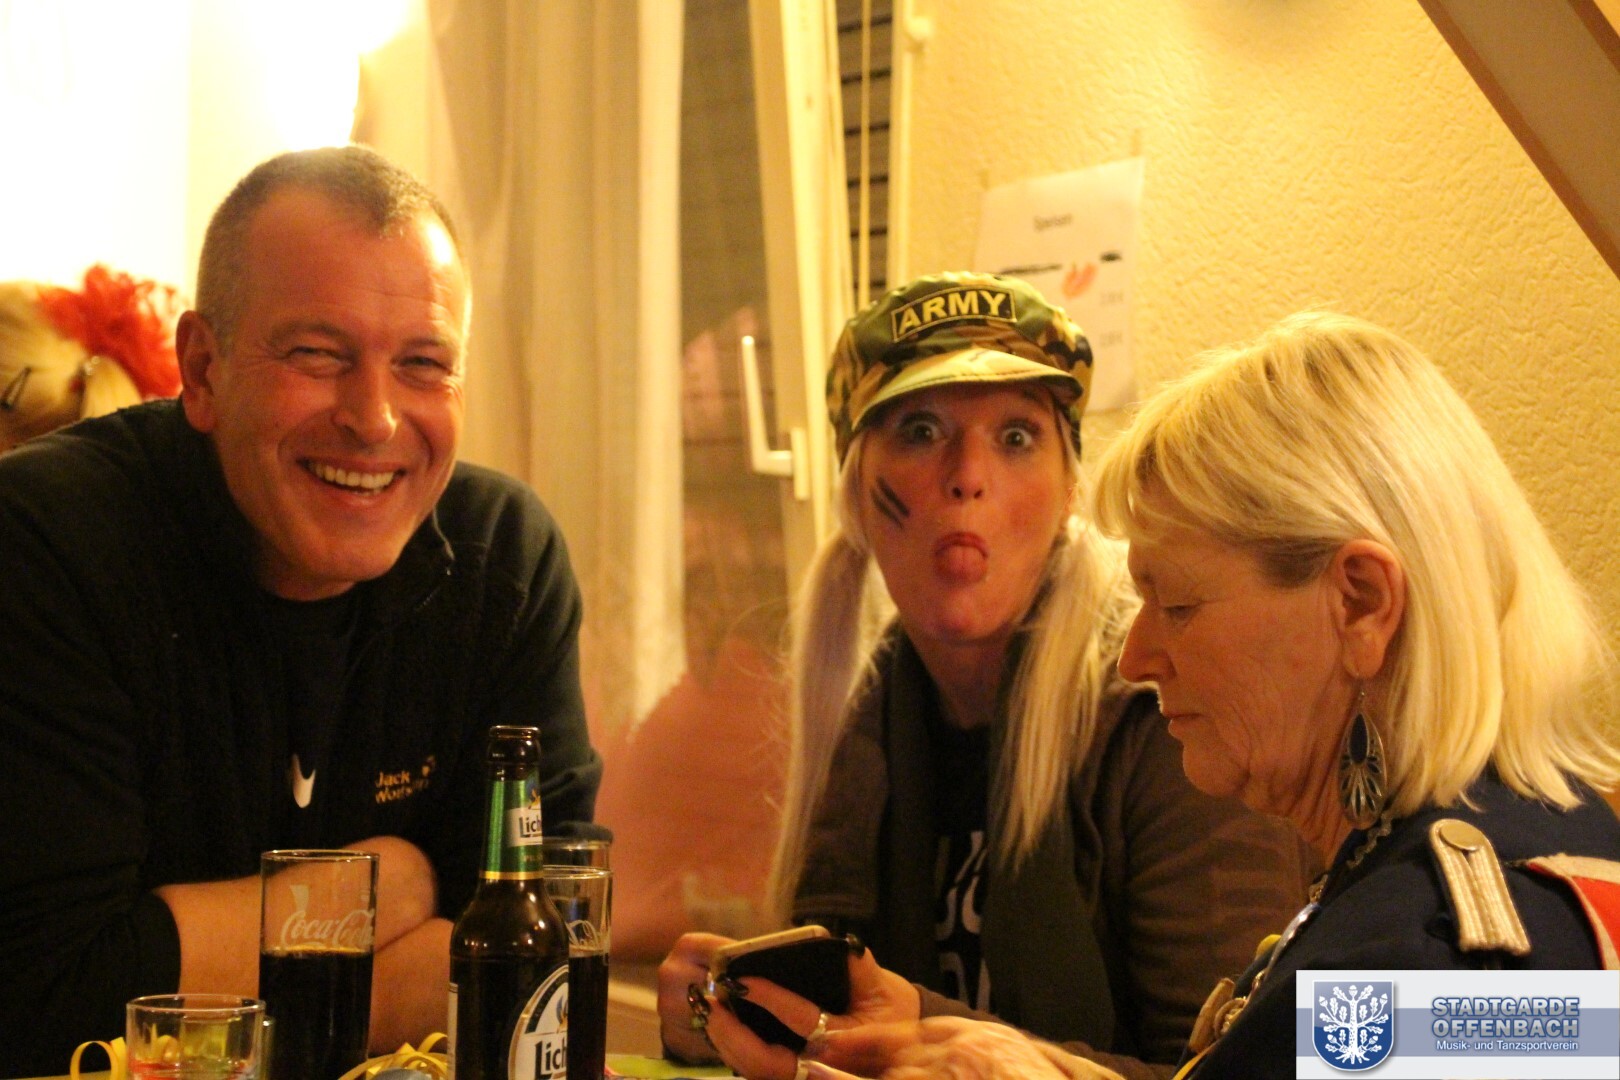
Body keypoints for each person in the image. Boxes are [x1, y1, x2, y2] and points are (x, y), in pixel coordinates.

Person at [791, 310, 1620, 1080]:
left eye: (1178, 605)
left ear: (1361, 602)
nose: (1136, 656)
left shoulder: (1421, 958)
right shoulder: (1541, 847)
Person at [0, 146, 603, 1077]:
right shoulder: (49, 544)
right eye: (318, 355)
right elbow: (44, 1002)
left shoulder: (504, 562)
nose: (374, 418)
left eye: (423, 363)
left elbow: (544, 953)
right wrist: (391, 887)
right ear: (203, 369)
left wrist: (213, 954)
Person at [659, 273, 1314, 1080]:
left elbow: (1240, 1069)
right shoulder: (861, 721)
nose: (968, 474)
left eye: (1016, 437)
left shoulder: (1170, 710)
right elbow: (835, 1024)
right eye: (920, 430)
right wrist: (730, 1013)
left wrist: (926, 1027)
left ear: (1070, 490)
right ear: (856, 494)